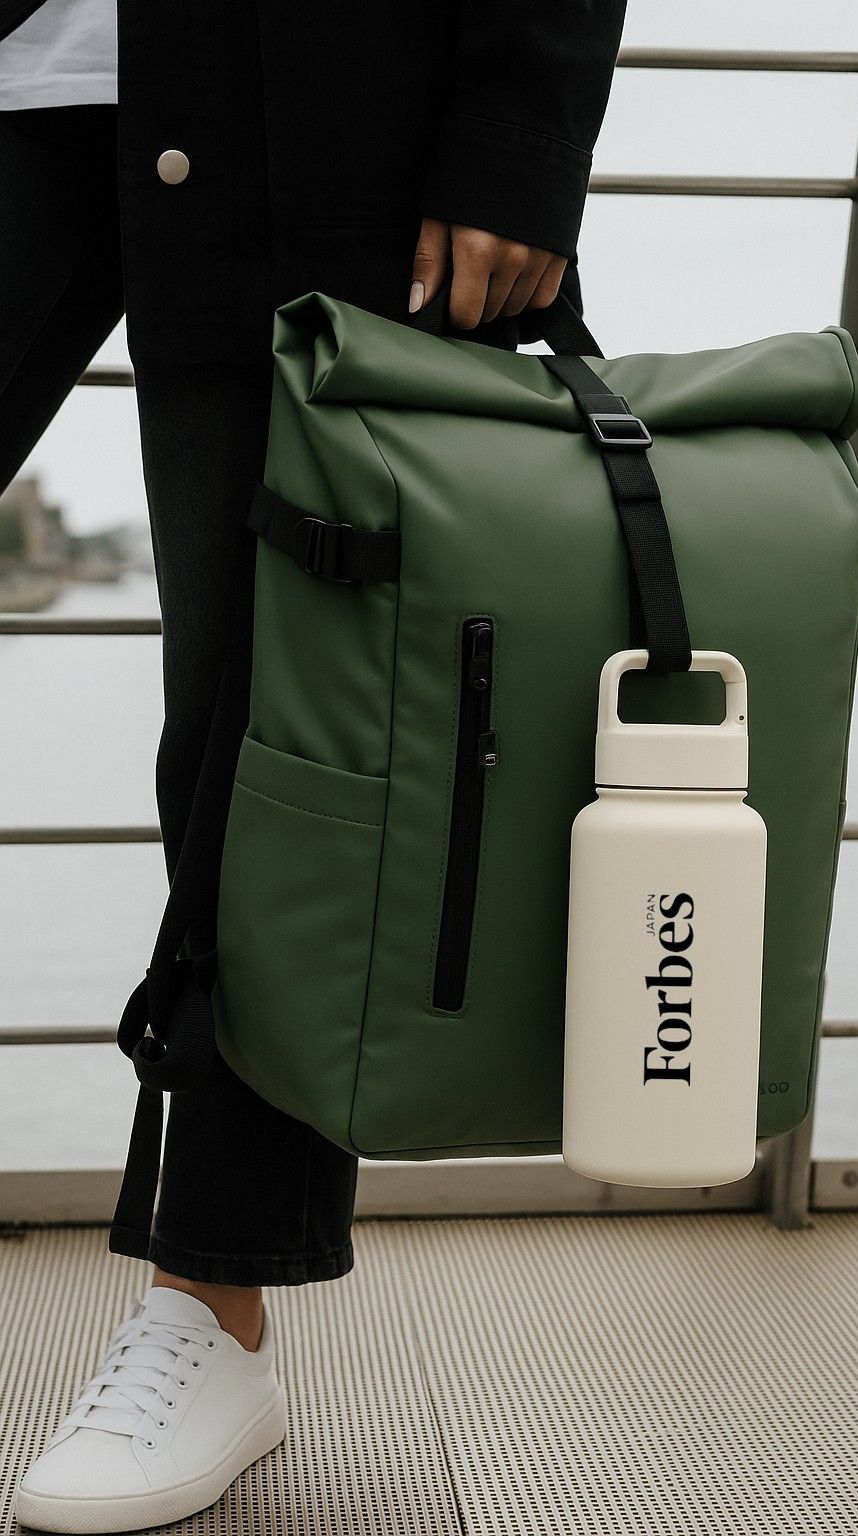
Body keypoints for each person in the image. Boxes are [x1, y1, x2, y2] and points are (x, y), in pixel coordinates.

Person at [1, 0, 626, 1529]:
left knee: (265, 704)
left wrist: (519, 128)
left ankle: (210, 1310)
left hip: (308, 86)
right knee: (260, 686)